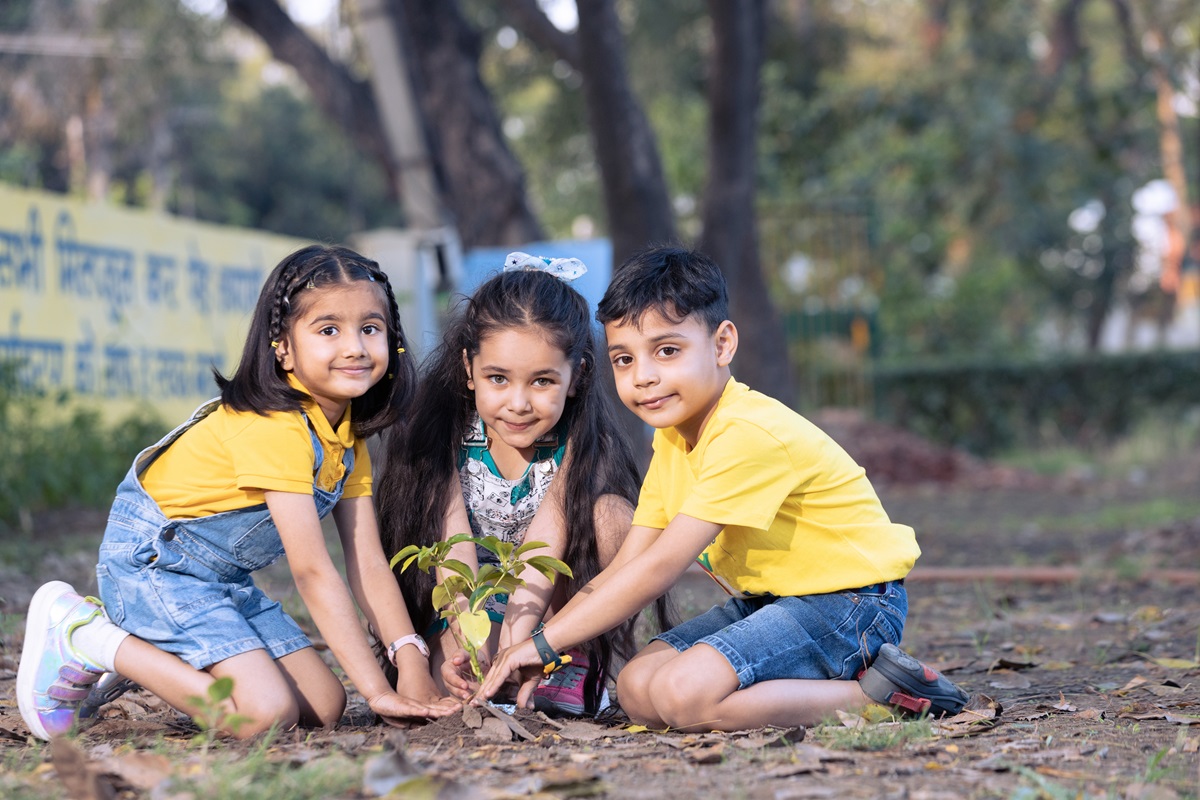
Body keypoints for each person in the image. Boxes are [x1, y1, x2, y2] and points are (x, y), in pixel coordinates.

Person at [478, 244, 969, 732]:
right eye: (623, 360)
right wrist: (539, 645)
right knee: (635, 687)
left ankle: (882, 697)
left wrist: (542, 644)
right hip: (773, 601)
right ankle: (801, 691)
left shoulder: (746, 434)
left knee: (683, 696)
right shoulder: (673, 438)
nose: (643, 377)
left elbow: (658, 568)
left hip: (850, 606)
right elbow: (627, 564)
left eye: (667, 351)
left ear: (722, 344)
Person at [17, 245, 458, 742]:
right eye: (328, 330)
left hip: (220, 582)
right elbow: (313, 572)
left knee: (325, 706)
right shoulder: (274, 427)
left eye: (370, 329)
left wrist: (410, 659)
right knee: (262, 714)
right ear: (283, 347)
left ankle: (164, 652)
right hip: (154, 567)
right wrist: (379, 693)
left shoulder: (345, 435)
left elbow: (367, 560)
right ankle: (86, 635)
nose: (355, 347)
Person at [376, 253, 660, 717]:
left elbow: (543, 554)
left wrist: (523, 643)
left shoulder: (577, 440)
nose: (519, 403)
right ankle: (493, 664)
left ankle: (577, 654)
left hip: (556, 605)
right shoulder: (444, 430)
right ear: (469, 369)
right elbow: (452, 547)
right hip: (470, 595)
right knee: (453, 681)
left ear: (577, 376)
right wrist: (470, 640)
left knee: (614, 519)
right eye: (498, 379)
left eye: (543, 381)